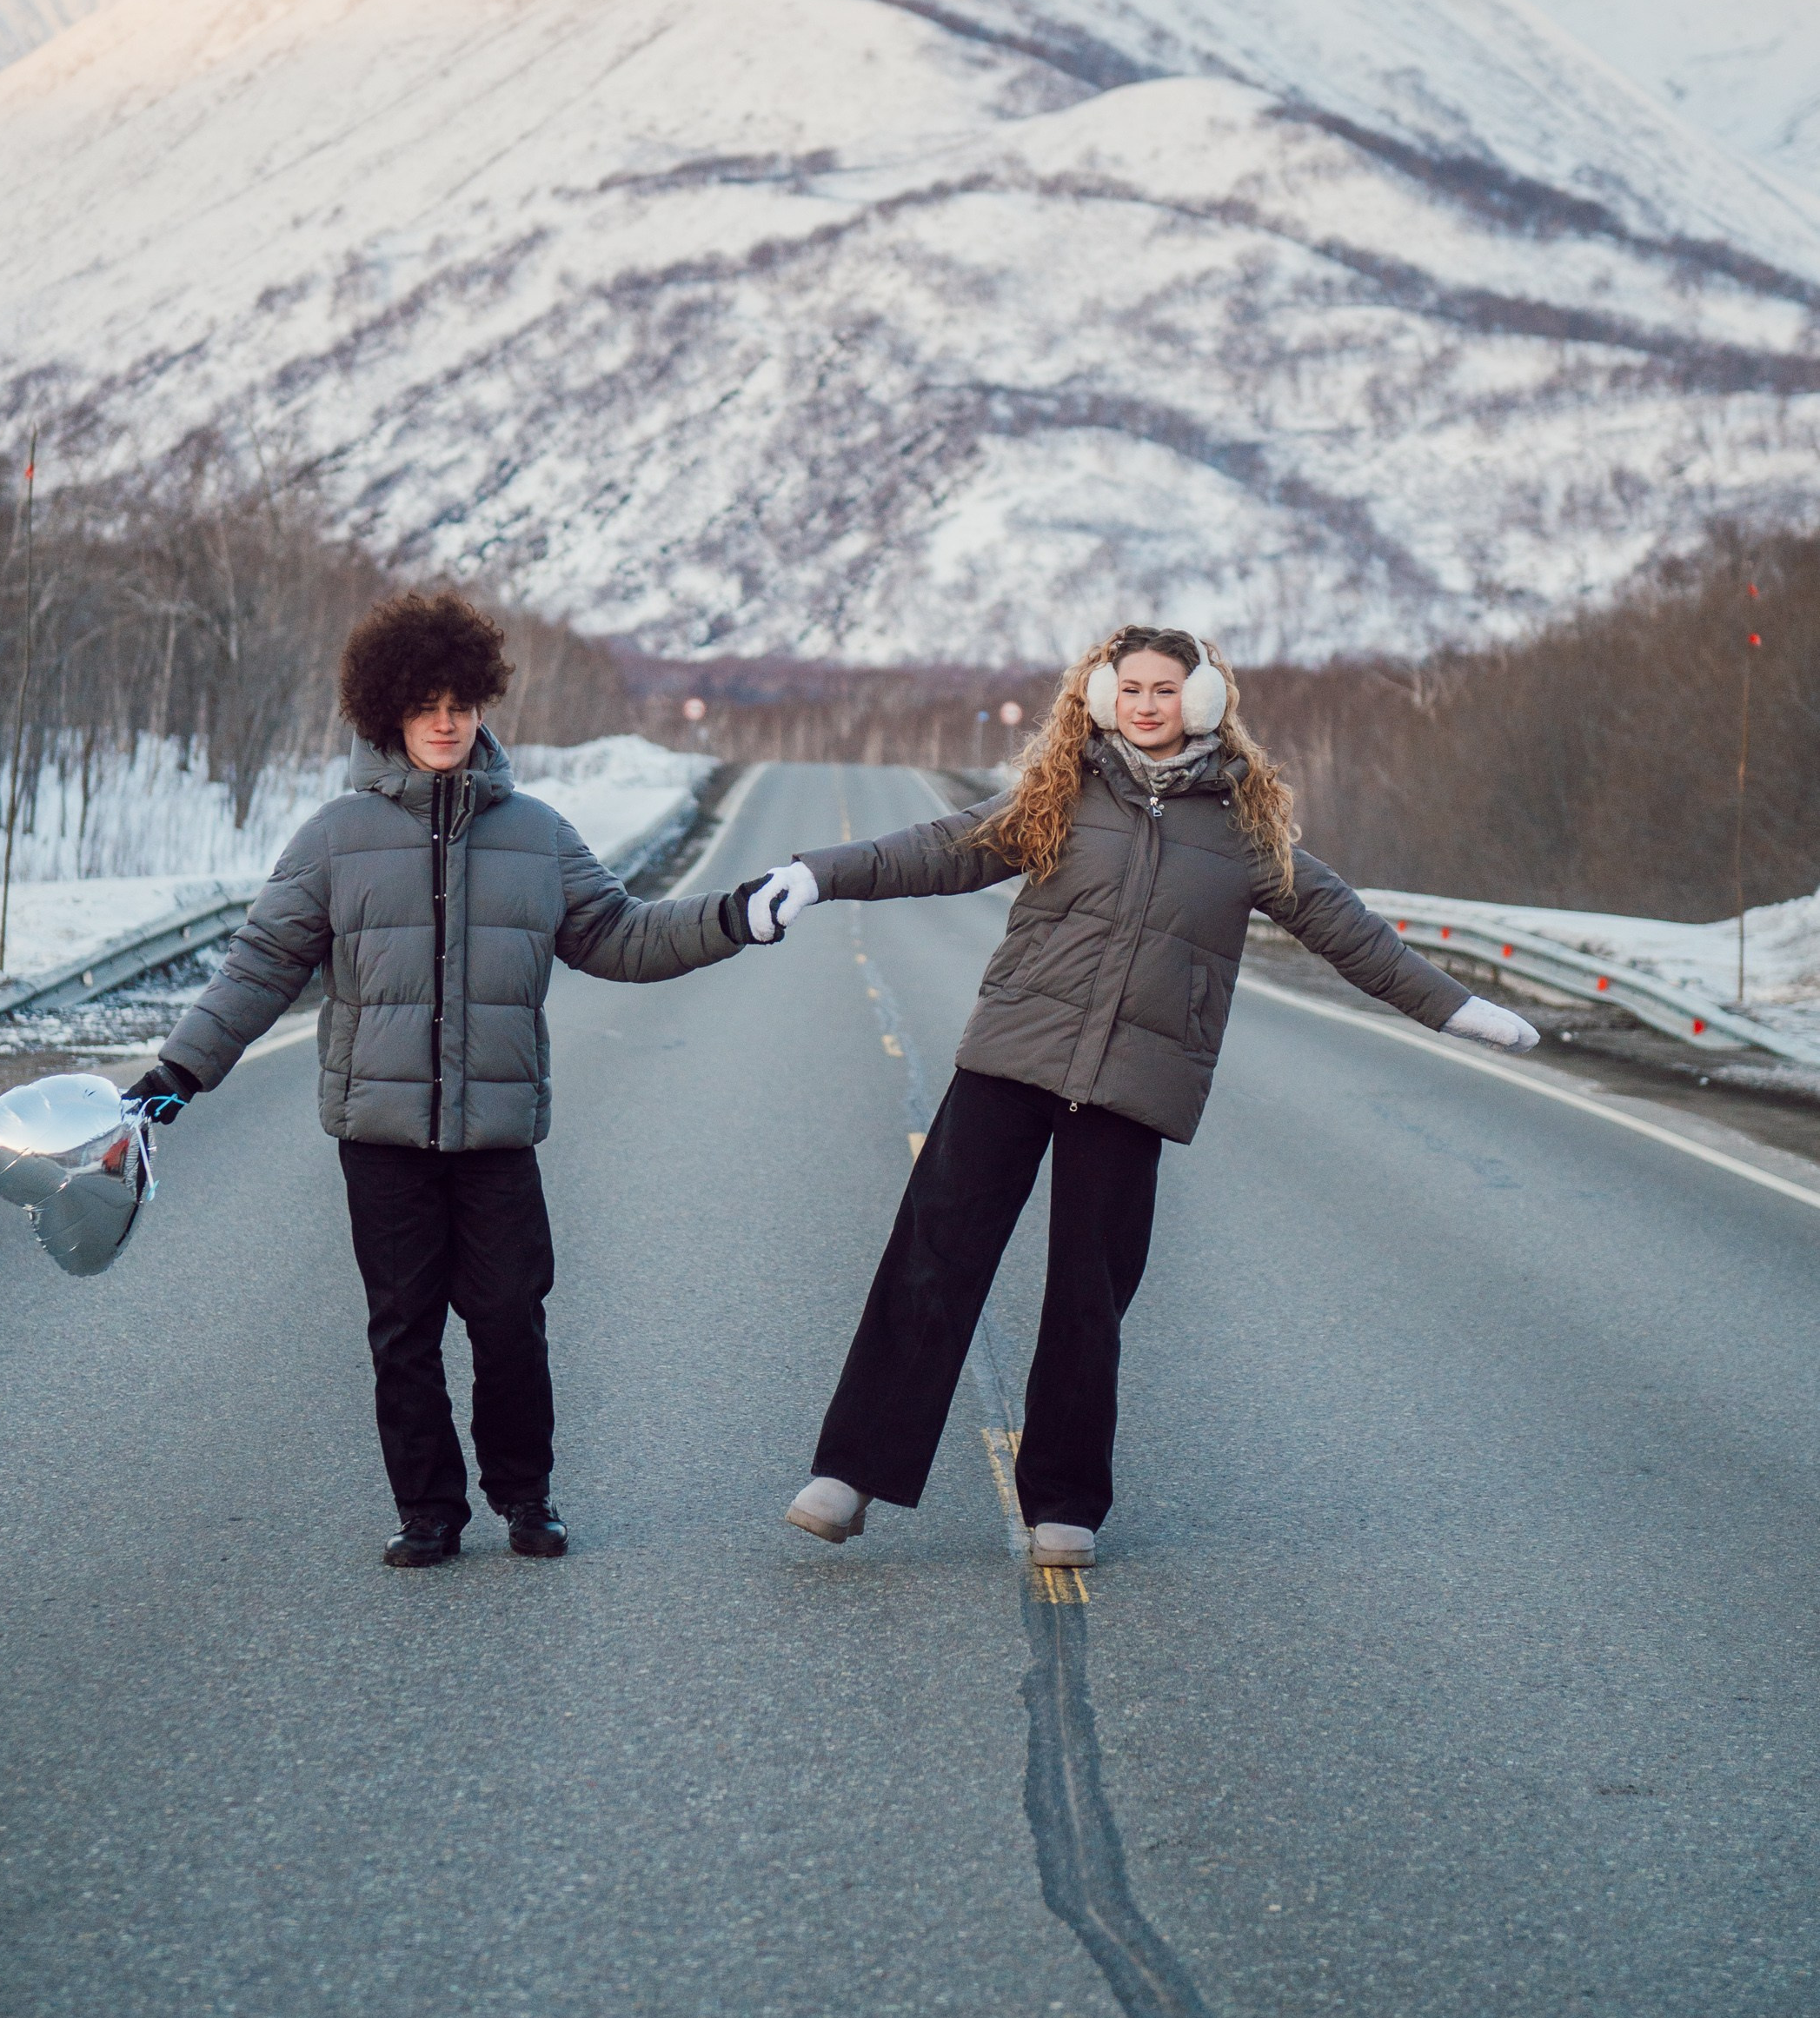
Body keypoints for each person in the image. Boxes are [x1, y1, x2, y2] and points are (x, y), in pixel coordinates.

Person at [737, 627, 1538, 1570]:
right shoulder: (1057, 796)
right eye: (1132, 687)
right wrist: (817, 875)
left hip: (1132, 1085)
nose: (1148, 703)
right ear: (1101, 695)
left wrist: (1453, 1010)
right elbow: (936, 850)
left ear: (1203, 702)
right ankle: (849, 1475)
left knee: (1089, 1299)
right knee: (933, 1259)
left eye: (1167, 688)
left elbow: (1346, 930)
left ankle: (1063, 1504)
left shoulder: (1246, 831)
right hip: (1012, 1059)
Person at [123, 589, 765, 1567]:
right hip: (380, 1138)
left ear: (482, 706)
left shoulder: (539, 835)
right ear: (388, 711)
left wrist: (732, 917)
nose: (443, 721)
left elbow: (621, 935)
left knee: (511, 1320)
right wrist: (175, 1076)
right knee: (403, 1333)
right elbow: (257, 971)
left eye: (460, 702)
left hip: (496, 1135)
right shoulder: (334, 839)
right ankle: (428, 1510)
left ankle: (526, 1497)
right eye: (424, 703)